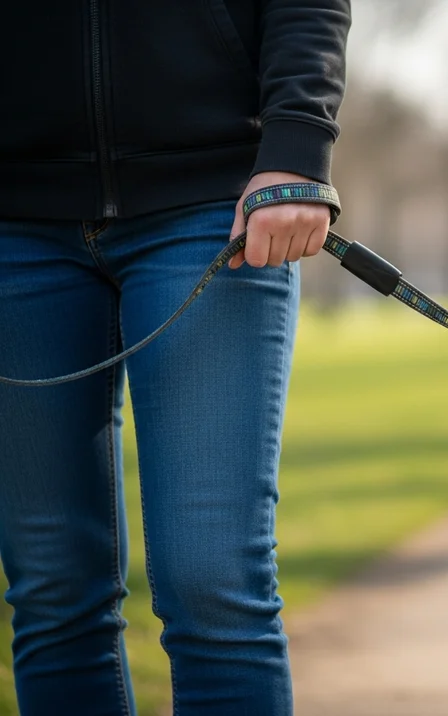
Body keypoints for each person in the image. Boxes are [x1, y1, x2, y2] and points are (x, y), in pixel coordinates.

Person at [0, 2, 351, 714]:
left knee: (212, 581)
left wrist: (295, 144)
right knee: (50, 589)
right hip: (14, 220)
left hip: (211, 208)